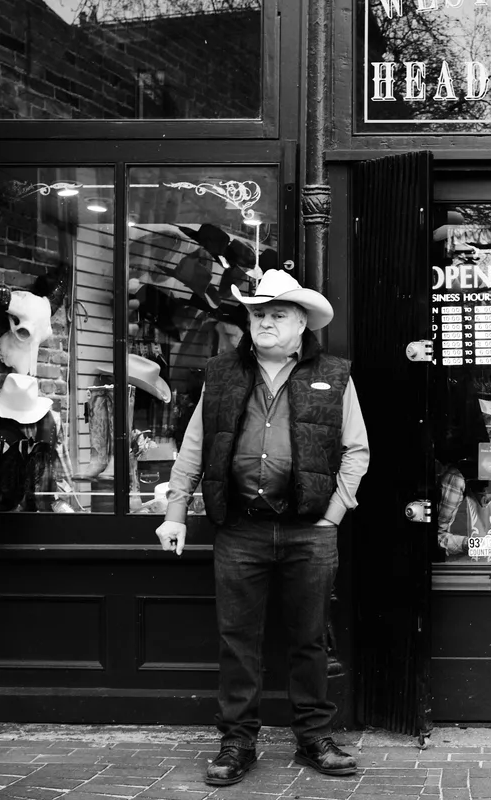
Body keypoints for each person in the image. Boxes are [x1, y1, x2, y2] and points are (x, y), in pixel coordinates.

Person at [154, 270, 369, 786]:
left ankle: (314, 737)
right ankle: (237, 742)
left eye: (277, 314)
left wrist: (332, 514)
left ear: (301, 323)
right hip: (240, 530)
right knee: (238, 641)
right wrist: (175, 513)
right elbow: (195, 447)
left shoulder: (335, 374)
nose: (265, 322)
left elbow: (356, 450)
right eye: (257, 314)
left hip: (309, 531)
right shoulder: (223, 373)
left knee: (310, 638)